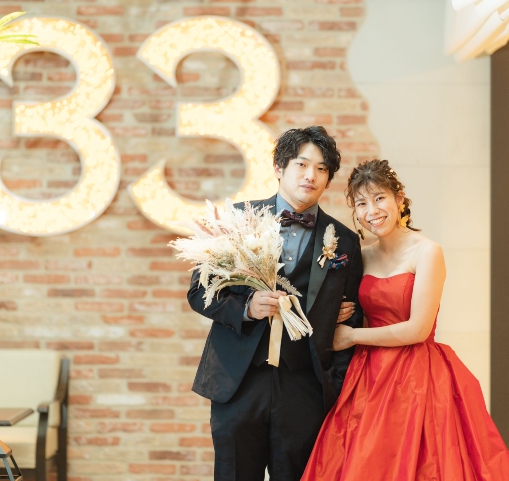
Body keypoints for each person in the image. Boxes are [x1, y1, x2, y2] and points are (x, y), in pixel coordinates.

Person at [302, 159, 509, 481]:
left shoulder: (427, 251)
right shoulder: (362, 255)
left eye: (379, 198)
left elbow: (418, 328)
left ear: (399, 199)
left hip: (416, 373)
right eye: (361, 203)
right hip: (367, 374)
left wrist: (352, 336)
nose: (372, 210)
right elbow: (351, 307)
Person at [187, 126, 364, 481]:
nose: (310, 175)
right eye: (301, 164)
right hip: (240, 380)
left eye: (321, 169)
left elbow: (352, 316)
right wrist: (247, 308)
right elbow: (199, 293)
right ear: (279, 168)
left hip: (305, 388)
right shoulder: (238, 219)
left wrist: (334, 384)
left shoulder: (344, 240)